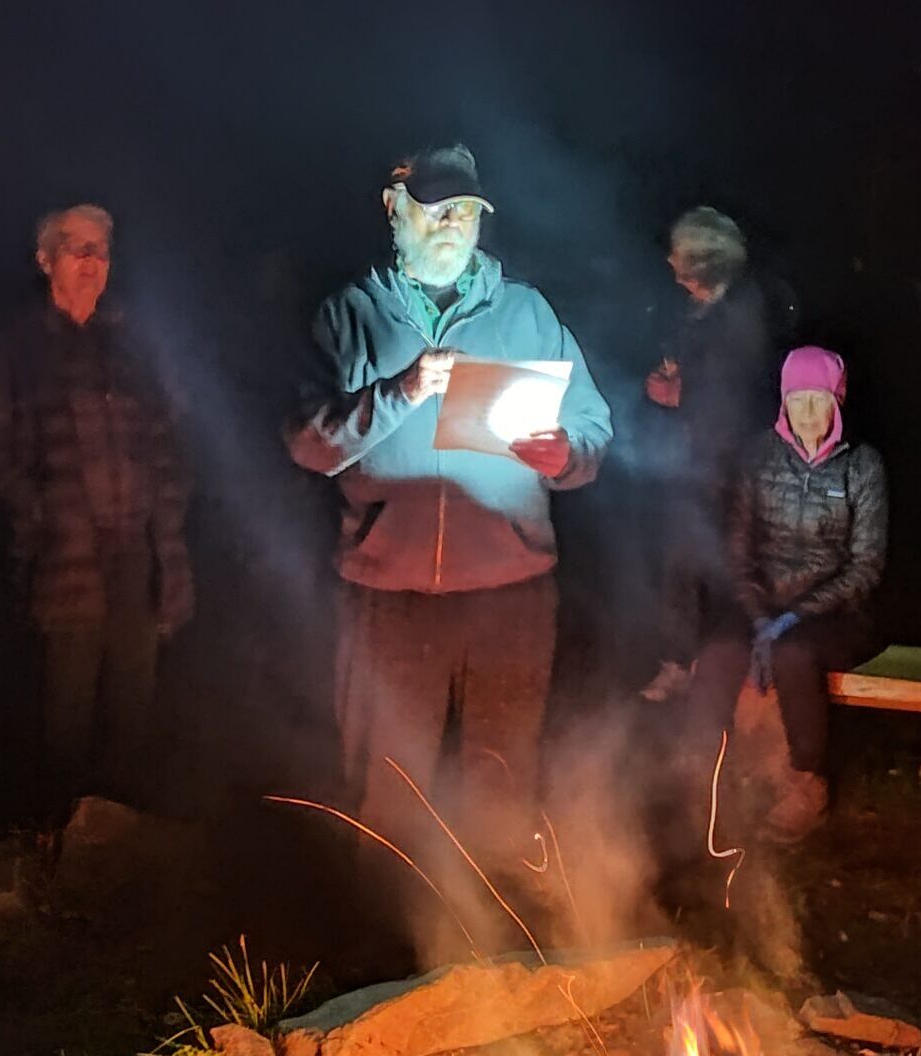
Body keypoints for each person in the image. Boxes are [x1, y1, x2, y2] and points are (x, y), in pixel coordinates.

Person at [284, 144, 612, 865]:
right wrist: (402, 391)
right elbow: (310, 444)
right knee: (389, 787)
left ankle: (499, 938)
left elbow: (592, 425)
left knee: (502, 782)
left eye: (465, 211)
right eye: (436, 210)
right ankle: (384, 940)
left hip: (512, 593)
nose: (451, 225)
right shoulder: (348, 315)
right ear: (394, 208)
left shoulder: (525, 311)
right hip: (389, 595)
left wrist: (569, 455)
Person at [0, 203, 192, 804]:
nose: (91, 261)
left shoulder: (134, 345)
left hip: (137, 556)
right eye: (76, 248)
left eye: (101, 250)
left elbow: (169, 444)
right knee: (64, 711)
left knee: (133, 702)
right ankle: (53, 838)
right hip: (64, 560)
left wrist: (169, 543)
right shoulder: (18, 350)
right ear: (45, 260)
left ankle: (116, 841)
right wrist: (40, 511)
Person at [689, 346, 887, 840]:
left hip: (833, 607)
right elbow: (739, 551)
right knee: (718, 652)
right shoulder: (759, 458)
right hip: (762, 602)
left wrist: (794, 618)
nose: (808, 413)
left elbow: (865, 565)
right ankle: (703, 776)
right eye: (798, 399)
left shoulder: (860, 466)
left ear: (837, 403)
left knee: (794, 655)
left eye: (819, 400)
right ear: (783, 402)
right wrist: (759, 618)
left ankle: (806, 784)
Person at [640, 208, 776, 702]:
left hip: (726, 459)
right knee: (678, 563)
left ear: (700, 259)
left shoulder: (744, 309)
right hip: (685, 455)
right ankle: (679, 662)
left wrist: (682, 393)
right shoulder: (689, 309)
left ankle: (723, 665)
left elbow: (740, 387)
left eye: (679, 252)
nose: (670, 260)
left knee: (720, 560)